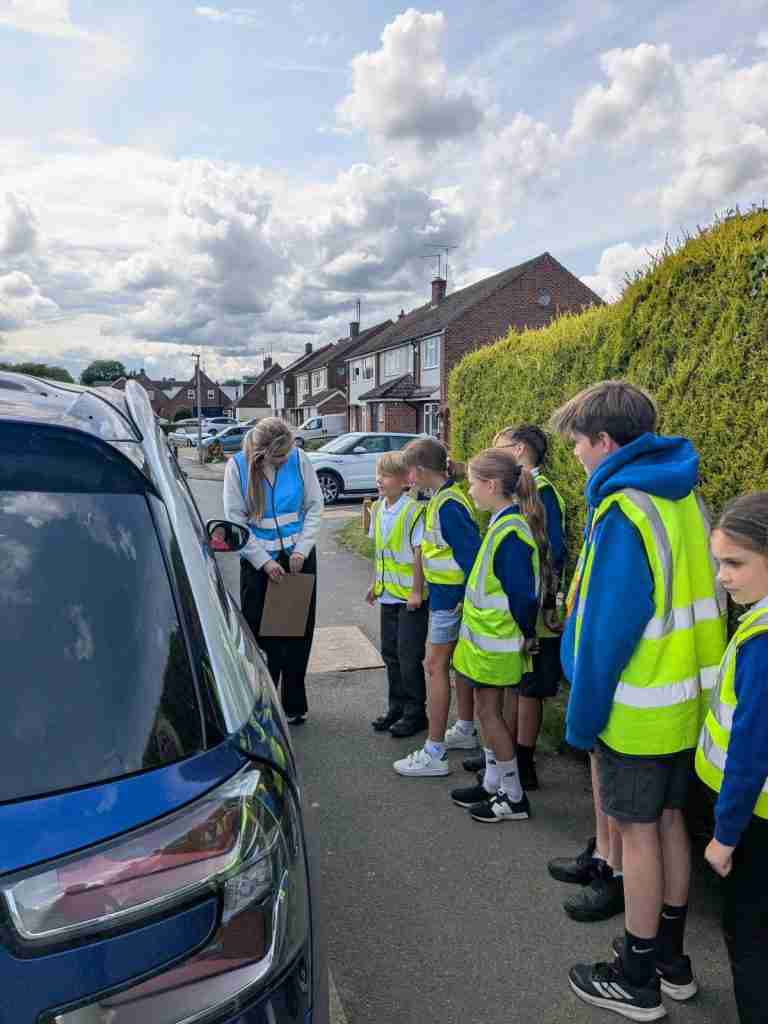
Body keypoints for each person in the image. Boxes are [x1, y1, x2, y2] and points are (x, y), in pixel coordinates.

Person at [549, 381, 726, 1021]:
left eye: (577, 444)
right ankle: (673, 962)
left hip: (638, 707)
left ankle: (637, 972)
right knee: (673, 821)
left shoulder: (625, 511)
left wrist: (583, 715)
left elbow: (604, 632)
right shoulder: (684, 499)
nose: (574, 455)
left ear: (605, 441)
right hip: (689, 703)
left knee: (638, 834)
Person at [695, 492, 768, 1024]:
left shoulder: (763, 641)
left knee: (751, 943)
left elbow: (751, 749)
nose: (723, 575)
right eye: (719, 561)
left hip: (754, 822)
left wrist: (724, 836)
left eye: (735, 563)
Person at [462, 424, 566, 791]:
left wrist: (535, 621)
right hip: (503, 630)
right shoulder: (505, 514)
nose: (470, 489)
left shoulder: (526, 509)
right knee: (499, 703)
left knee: (514, 699)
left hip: (514, 628)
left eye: (499, 445)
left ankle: (516, 775)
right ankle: (499, 771)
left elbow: (546, 563)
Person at [448, 448, 547, 822]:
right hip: (486, 644)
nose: (470, 491)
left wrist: (526, 632)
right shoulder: (504, 524)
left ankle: (514, 795)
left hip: (496, 645)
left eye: (473, 483)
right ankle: (493, 783)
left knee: (490, 715)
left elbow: (523, 596)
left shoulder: (509, 531)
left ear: (491, 485)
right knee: (489, 714)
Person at [223, 417, 324, 724]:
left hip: (296, 559)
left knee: (294, 636)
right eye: (278, 458)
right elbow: (235, 521)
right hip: (259, 564)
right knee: (261, 639)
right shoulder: (237, 467)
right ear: (261, 451)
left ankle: (294, 705)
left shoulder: (299, 458)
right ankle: (262, 707)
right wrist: (264, 562)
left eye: (287, 455)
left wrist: (301, 551)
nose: (284, 462)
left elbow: (315, 506)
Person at [393, 437, 482, 777]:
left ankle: (434, 753)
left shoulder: (447, 505)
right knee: (452, 666)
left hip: (450, 600)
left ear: (418, 470)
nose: (408, 480)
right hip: (449, 599)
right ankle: (463, 728)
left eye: (409, 473)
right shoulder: (444, 499)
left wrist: (461, 599)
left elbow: (472, 557)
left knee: (435, 665)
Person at [366, 452, 429, 738]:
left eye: (387, 475)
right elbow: (381, 552)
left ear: (405, 481)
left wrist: (417, 590)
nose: (380, 479)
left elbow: (419, 553)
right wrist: (374, 584)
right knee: (390, 654)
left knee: (408, 655)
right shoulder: (378, 508)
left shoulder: (414, 511)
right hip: (387, 595)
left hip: (409, 599)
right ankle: (397, 707)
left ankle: (416, 713)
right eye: (379, 473)